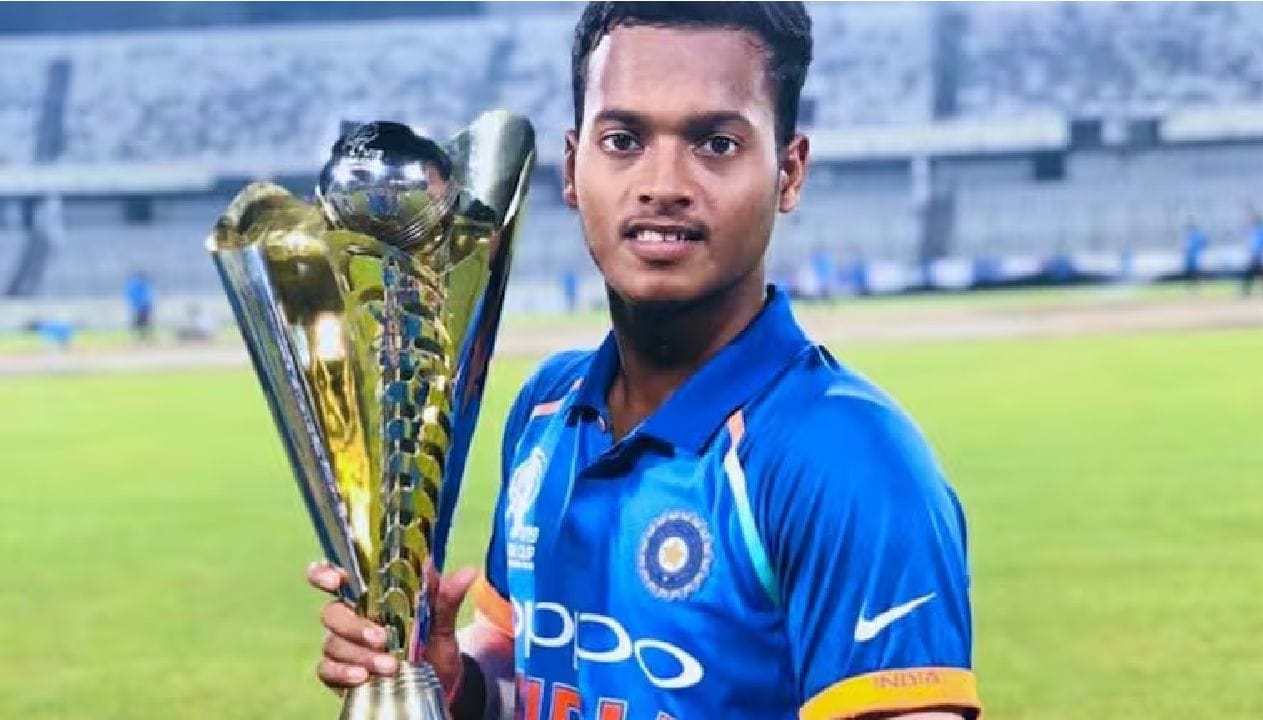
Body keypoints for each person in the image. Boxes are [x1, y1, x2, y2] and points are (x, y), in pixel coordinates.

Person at [309, 4, 980, 719]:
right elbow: (525, 673)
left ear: (788, 172)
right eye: (624, 140)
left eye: (716, 143)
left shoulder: (847, 459)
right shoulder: (547, 410)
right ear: (574, 168)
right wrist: (453, 682)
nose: (663, 183)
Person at [1241, 211, 1263, 297]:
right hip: (1256, 255)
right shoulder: (1255, 230)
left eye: (1253, 220)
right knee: (1252, 273)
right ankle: (1246, 291)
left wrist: (1262, 252)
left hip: (1262, 255)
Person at [124, 270, 154, 341]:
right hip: (144, 307)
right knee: (144, 323)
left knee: (139, 323)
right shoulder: (144, 284)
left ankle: (139, 337)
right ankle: (144, 337)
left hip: (138, 307)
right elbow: (149, 296)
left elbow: (129, 294)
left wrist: (134, 303)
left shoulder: (133, 284)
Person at [1182, 221, 1209, 293]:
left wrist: (1201, 250)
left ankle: (1198, 286)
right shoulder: (1188, 237)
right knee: (1190, 273)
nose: (1188, 231)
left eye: (1189, 229)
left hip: (1196, 258)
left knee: (1196, 273)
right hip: (1189, 258)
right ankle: (1191, 287)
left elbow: (1205, 241)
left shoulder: (1197, 236)